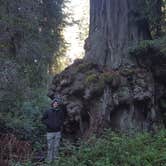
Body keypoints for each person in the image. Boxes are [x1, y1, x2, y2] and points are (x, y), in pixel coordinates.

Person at [41, 97, 66, 162]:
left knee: (56, 146)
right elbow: (43, 119)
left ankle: (56, 160)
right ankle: (49, 161)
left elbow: (62, 120)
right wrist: (49, 124)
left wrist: (59, 124)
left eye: (57, 103)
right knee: (50, 147)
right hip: (49, 132)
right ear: (52, 104)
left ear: (58, 104)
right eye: (54, 103)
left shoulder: (60, 111)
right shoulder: (48, 111)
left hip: (57, 131)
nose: (55, 104)